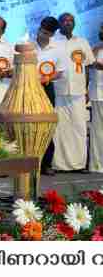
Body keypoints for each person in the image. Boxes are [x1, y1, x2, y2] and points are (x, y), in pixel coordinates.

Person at [52, 13, 94, 172]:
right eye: (64, 21)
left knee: (79, 126)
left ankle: (79, 164)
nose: (68, 23)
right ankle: (58, 164)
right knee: (59, 128)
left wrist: (86, 88)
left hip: (78, 91)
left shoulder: (82, 42)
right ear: (59, 24)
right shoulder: (53, 42)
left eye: (71, 21)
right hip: (58, 90)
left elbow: (88, 65)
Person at [32, 16, 65, 175]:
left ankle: (46, 163)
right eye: (41, 31)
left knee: (46, 125)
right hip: (27, 88)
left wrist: (48, 78)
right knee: (26, 124)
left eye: (46, 33)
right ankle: (26, 163)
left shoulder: (57, 49)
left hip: (46, 88)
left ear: (52, 34)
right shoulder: (27, 44)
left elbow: (60, 72)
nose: (41, 35)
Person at [89, 22, 103, 172]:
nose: (101, 31)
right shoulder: (95, 48)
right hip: (97, 94)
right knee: (97, 131)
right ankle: (97, 165)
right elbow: (87, 66)